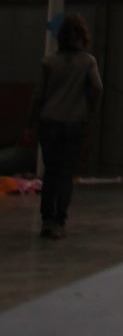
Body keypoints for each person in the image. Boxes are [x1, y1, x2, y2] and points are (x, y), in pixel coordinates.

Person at [24, 13, 103, 240]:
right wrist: (89, 112)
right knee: (66, 173)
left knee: (51, 172)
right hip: (74, 123)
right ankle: (60, 221)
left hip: (49, 122)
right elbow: (97, 88)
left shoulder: (49, 62)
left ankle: (47, 221)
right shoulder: (88, 62)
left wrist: (29, 123)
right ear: (82, 37)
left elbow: (37, 96)